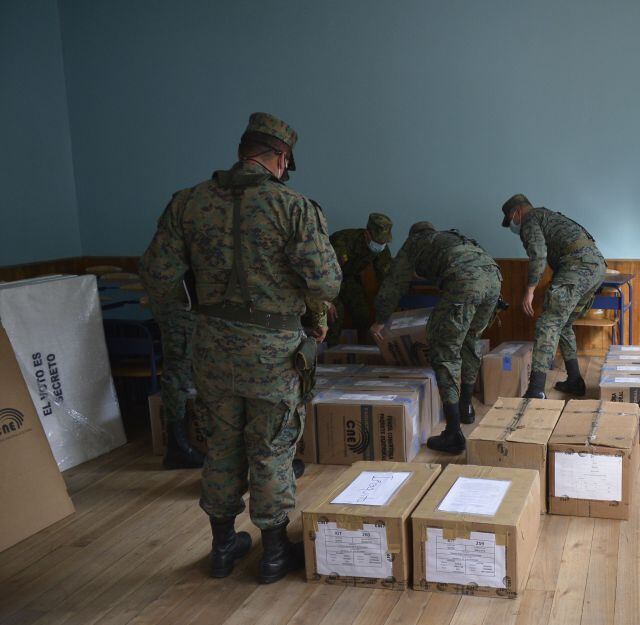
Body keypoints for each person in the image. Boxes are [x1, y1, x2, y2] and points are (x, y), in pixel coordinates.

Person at [140, 112, 341, 584]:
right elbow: (326, 281)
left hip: (211, 347)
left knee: (221, 444)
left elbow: (157, 273)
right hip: (273, 351)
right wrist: (313, 319)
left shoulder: (187, 203)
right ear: (281, 157)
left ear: (242, 150)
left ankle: (222, 547)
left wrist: (191, 317)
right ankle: (273, 553)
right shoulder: (293, 207)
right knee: (271, 446)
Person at [371, 222, 502, 453]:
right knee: (470, 341)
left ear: (414, 234)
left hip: (465, 281)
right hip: (494, 279)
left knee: (444, 350)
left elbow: (394, 282)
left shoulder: (414, 243)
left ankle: (453, 433)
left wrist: (381, 318)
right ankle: (466, 408)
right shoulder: (453, 237)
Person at [500, 194, 606, 399]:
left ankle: (536, 389)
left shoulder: (530, 219)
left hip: (578, 267)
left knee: (548, 323)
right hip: (595, 267)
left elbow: (538, 254)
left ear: (517, 212)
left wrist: (530, 290)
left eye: (512, 220)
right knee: (563, 323)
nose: (514, 225)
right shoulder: (548, 215)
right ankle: (575, 380)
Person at [142, 276, 203, 470]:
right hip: (180, 307)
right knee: (178, 374)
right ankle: (178, 448)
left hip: (184, 304)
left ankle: (180, 446)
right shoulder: (177, 246)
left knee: (184, 370)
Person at [327, 214, 393, 345]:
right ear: (366, 234)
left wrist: (387, 307)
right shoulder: (343, 241)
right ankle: (329, 352)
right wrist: (328, 300)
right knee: (335, 312)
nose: (380, 245)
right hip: (329, 280)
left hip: (348, 280)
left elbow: (386, 277)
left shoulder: (381, 248)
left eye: (383, 242)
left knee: (363, 312)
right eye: (377, 241)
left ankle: (363, 349)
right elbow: (326, 272)